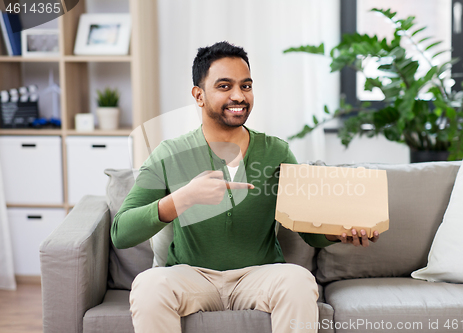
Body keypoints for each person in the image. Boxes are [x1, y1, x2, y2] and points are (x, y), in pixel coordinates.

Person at [111, 41, 379, 333]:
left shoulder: (276, 152)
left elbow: (308, 232)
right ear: (199, 95)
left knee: (298, 280)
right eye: (224, 86)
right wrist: (182, 199)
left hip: (259, 276)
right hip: (191, 277)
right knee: (149, 285)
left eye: (246, 86)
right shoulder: (168, 154)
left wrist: (338, 232)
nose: (239, 95)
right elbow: (121, 233)